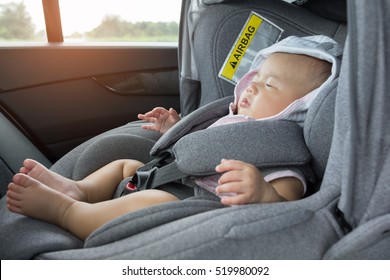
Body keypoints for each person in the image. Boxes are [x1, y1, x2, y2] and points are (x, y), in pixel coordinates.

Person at [6, 36, 336, 241]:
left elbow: (290, 207)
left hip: (190, 205)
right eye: (256, 77)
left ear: (297, 108)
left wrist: (262, 193)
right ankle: (80, 189)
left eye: (270, 85)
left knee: (154, 200)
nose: (252, 86)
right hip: (171, 176)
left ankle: (66, 212)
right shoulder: (236, 120)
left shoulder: (285, 155)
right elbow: (202, 145)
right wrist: (174, 129)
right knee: (126, 165)